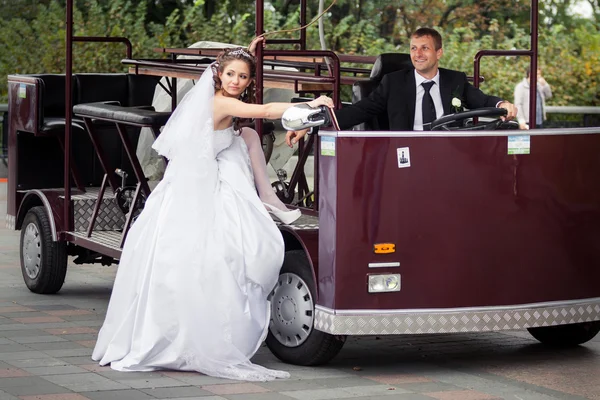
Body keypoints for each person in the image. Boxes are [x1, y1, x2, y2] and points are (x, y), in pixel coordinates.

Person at [91, 39, 334, 381]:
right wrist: (314, 102)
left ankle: (267, 197)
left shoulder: (221, 99)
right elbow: (264, 112)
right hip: (197, 186)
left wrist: (247, 49)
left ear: (249, 81)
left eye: (243, 77)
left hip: (207, 174)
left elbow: (247, 113)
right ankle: (186, 333)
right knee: (207, 256)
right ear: (218, 76)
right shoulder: (220, 102)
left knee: (246, 139)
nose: (235, 81)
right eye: (230, 74)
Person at [286, 27, 517, 145]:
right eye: (413, 48)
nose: (418, 54)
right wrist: (313, 124)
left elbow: (482, 100)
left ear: (439, 53)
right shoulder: (393, 83)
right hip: (406, 152)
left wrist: (502, 103)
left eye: (425, 48)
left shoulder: (455, 80)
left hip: (449, 151)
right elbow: (361, 110)